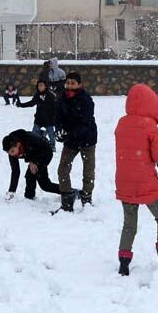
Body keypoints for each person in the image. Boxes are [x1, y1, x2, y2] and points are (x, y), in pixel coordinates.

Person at [114, 84, 158, 276]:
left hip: (124, 181)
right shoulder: (149, 126)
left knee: (129, 225)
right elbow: (157, 157)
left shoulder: (121, 123)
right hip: (146, 182)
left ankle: (124, 262)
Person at [55, 72, 97, 212]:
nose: (70, 85)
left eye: (73, 83)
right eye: (68, 83)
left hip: (87, 139)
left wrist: (70, 134)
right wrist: (59, 130)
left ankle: (86, 198)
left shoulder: (86, 100)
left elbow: (85, 122)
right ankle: (67, 198)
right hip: (70, 141)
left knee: (88, 170)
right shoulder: (62, 97)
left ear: (79, 84)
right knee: (63, 169)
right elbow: (58, 117)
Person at [2, 129, 61, 201]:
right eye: (8, 153)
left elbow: (46, 150)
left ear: (18, 144)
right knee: (45, 185)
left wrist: (35, 162)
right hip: (34, 156)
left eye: (12, 151)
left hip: (46, 152)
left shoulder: (29, 139)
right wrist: (11, 191)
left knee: (34, 177)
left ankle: (29, 198)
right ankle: (30, 197)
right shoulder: (12, 151)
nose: (11, 154)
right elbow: (15, 171)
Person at [16, 79, 57, 151]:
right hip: (39, 118)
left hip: (49, 119)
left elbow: (56, 107)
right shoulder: (37, 95)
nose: (39, 87)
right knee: (34, 133)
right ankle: (35, 142)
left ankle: (52, 145)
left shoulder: (50, 95)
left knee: (51, 134)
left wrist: (55, 117)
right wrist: (21, 105)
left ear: (45, 86)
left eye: (41, 85)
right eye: (38, 85)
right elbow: (32, 103)